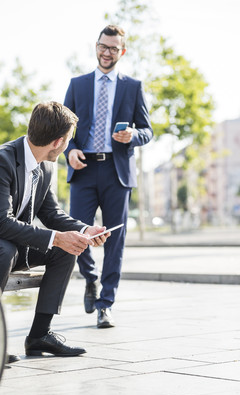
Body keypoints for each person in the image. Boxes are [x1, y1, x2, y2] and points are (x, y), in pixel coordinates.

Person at [0, 101, 110, 366]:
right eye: (69, 140)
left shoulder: (46, 165)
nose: (69, 145)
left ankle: (39, 335)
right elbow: (1, 223)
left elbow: (50, 213)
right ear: (58, 141)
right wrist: (57, 237)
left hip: (6, 243)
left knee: (65, 250)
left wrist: (83, 230)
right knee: (5, 248)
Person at [64, 25, 153, 329]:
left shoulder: (133, 87)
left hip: (118, 171)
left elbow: (148, 130)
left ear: (122, 52)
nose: (107, 52)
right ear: (96, 46)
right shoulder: (77, 85)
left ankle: (106, 304)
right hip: (84, 169)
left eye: (113, 48)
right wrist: (70, 151)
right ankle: (90, 279)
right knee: (78, 233)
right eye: (103, 46)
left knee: (116, 241)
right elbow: (65, 129)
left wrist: (134, 135)